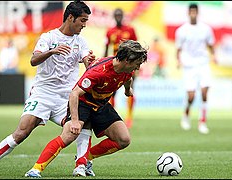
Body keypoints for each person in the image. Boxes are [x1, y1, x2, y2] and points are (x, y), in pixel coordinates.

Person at [0, 1, 96, 177]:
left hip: (66, 97)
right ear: (70, 17)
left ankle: (81, 166)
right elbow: (34, 60)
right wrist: (52, 52)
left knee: (83, 121)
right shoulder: (48, 38)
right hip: (43, 93)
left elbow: (86, 61)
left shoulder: (81, 41)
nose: (84, 25)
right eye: (82, 20)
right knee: (22, 131)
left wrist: (90, 61)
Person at [25, 40, 147, 178]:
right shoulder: (99, 72)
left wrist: (127, 90)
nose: (138, 67)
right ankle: (35, 169)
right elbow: (74, 94)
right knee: (69, 135)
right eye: (137, 63)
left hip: (100, 104)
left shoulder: (126, 70)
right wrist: (76, 120)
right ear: (126, 60)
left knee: (124, 139)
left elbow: (127, 79)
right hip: (83, 103)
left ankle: (84, 158)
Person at [175, 3, 217, 134]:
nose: (193, 14)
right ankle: (186, 115)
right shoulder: (182, 30)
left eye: (195, 11)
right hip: (189, 65)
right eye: (191, 11)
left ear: (197, 13)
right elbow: (178, 48)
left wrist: (214, 56)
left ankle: (202, 122)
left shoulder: (206, 29)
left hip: (203, 63)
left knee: (204, 92)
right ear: (188, 13)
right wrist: (178, 60)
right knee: (191, 96)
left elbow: (210, 45)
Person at [104, 8, 138, 128]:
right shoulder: (110, 32)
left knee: (130, 90)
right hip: (115, 66)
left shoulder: (130, 30)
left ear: (122, 16)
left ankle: (129, 117)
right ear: (114, 16)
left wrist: (135, 65)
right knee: (112, 92)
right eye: (116, 15)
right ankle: (112, 116)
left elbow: (136, 48)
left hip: (129, 66)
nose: (118, 17)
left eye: (120, 15)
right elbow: (106, 50)